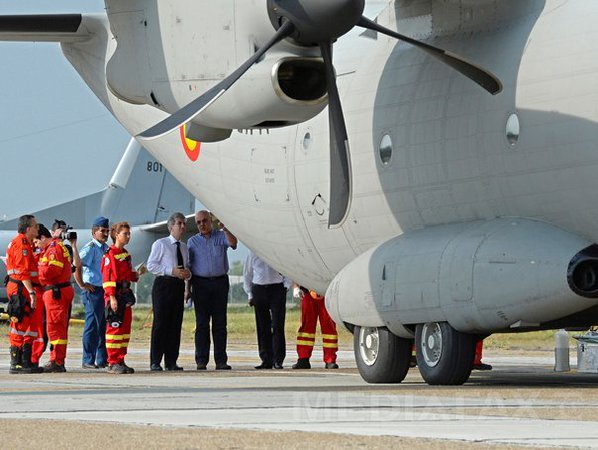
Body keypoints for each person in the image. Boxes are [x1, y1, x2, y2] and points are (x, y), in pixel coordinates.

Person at [188, 210, 237, 370]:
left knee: (220, 323)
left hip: (219, 283)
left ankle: (221, 360)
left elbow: (233, 243)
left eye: (205, 221)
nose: (202, 224)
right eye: (199, 222)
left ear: (211, 221)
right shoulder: (192, 242)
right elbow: (188, 267)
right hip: (200, 284)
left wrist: (226, 229)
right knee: (201, 323)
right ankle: (201, 360)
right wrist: (187, 289)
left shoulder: (221, 236)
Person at [147, 212, 191, 371]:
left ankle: (171, 361)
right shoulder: (161, 244)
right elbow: (151, 266)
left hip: (178, 286)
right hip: (163, 285)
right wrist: (171, 271)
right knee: (161, 324)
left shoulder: (185, 247)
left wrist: (187, 275)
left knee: (175, 324)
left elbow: (186, 268)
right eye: (180, 223)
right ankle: (155, 361)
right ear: (171, 226)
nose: (183, 226)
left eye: (184, 223)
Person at [101, 221, 143, 374]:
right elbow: (108, 278)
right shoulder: (110, 254)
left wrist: (136, 275)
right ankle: (112, 362)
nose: (128, 236)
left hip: (125, 296)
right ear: (116, 235)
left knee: (124, 330)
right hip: (116, 296)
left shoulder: (125, 254)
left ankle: (120, 359)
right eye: (125, 234)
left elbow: (127, 274)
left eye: (129, 234)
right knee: (115, 329)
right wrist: (111, 297)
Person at [38, 219, 78, 373]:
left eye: (37, 242)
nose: (37, 246)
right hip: (58, 292)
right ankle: (57, 359)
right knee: (57, 328)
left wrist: (39, 273)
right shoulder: (54, 247)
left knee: (55, 328)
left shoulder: (53, 249)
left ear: (42, 237)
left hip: (56, 293)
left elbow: (50, 272)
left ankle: (57, 361)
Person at [5, 215, 41, 374]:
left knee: (29, 324)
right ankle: (16, 362)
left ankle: (26, 360)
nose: (37, 229)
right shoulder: (21, 244)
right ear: (28, 228)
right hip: (20, 288)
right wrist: (32, 292)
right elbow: (22, 272)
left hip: (24, 287)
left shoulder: (26, 244)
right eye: (35, 226)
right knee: (18, 324)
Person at [243, 250, 290, 370]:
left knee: (277, 325)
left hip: (277, 288)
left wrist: (286, 286)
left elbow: (288, 269)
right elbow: (247, 274)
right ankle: (266, 359)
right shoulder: (252, 252)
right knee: (263, 326)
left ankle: (278, 360)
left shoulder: (277, 251)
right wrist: (250, 294)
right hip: (259, 289)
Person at [75, 216, 110, 369]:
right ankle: (88, 359)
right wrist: (82, 284)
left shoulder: (105, 248)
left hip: (104, 290)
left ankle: (102, 359)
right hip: (93, 290)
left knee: (103, 325)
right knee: (92, 325)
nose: (105, 234)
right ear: (94, 232)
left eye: (107, 231)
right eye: (102, 231)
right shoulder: (90, 248)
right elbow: (77, 265)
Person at [292, 287, 339, 369]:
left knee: (329, 327)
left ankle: (330, 359)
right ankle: (303, 358)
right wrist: (296, 286)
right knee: (306, 327)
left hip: (327, 293)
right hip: (307, 292)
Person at [30, 223, 52, 371]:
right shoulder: (35, 253)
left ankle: (33, 358)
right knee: (37, 328)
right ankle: (31, 358)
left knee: (42, 328)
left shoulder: (46, 253)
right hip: (36, 293)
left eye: (37, 241)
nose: (35, 244)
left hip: (41, 293)